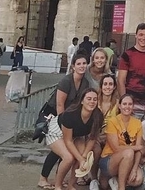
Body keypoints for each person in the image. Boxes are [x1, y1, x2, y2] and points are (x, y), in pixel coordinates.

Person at [38, 54, 92, 189]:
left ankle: (57, 179)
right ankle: (43, 178)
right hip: (55, 116)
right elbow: (59, 104)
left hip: (69, 118)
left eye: (84, 63)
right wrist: (64, 125)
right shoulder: (66, 81)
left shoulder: (85, 83)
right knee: (59, 150)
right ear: (73, 66)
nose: (82, 66)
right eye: (78, 64)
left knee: (62, 151)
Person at [44, 87, 103, 190]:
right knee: (68, 158)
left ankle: (71, 185)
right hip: (57, 131)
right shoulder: (70, 114)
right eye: (88, 99)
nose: (92, 102)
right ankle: (58, 185)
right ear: (82, 101)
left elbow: (93, 137)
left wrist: (83, 156)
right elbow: (68, 140)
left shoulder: (98, 116)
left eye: (95, 99)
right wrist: (80, 159)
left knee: (81, 155)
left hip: (77, 134)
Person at [100, 93, 144, 190]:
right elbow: (116, 148)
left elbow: (139, 151)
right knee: (129, 152)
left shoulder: (138, 123)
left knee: (138, 180)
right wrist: (136, 147)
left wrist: (134, 169)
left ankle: (117, 179)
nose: (127, 107)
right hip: (110, 158)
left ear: (133, 106)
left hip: (129, 161)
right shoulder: (112, 121)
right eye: (124, 104)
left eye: (130, 104)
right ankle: (121, 187)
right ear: (119, 106)